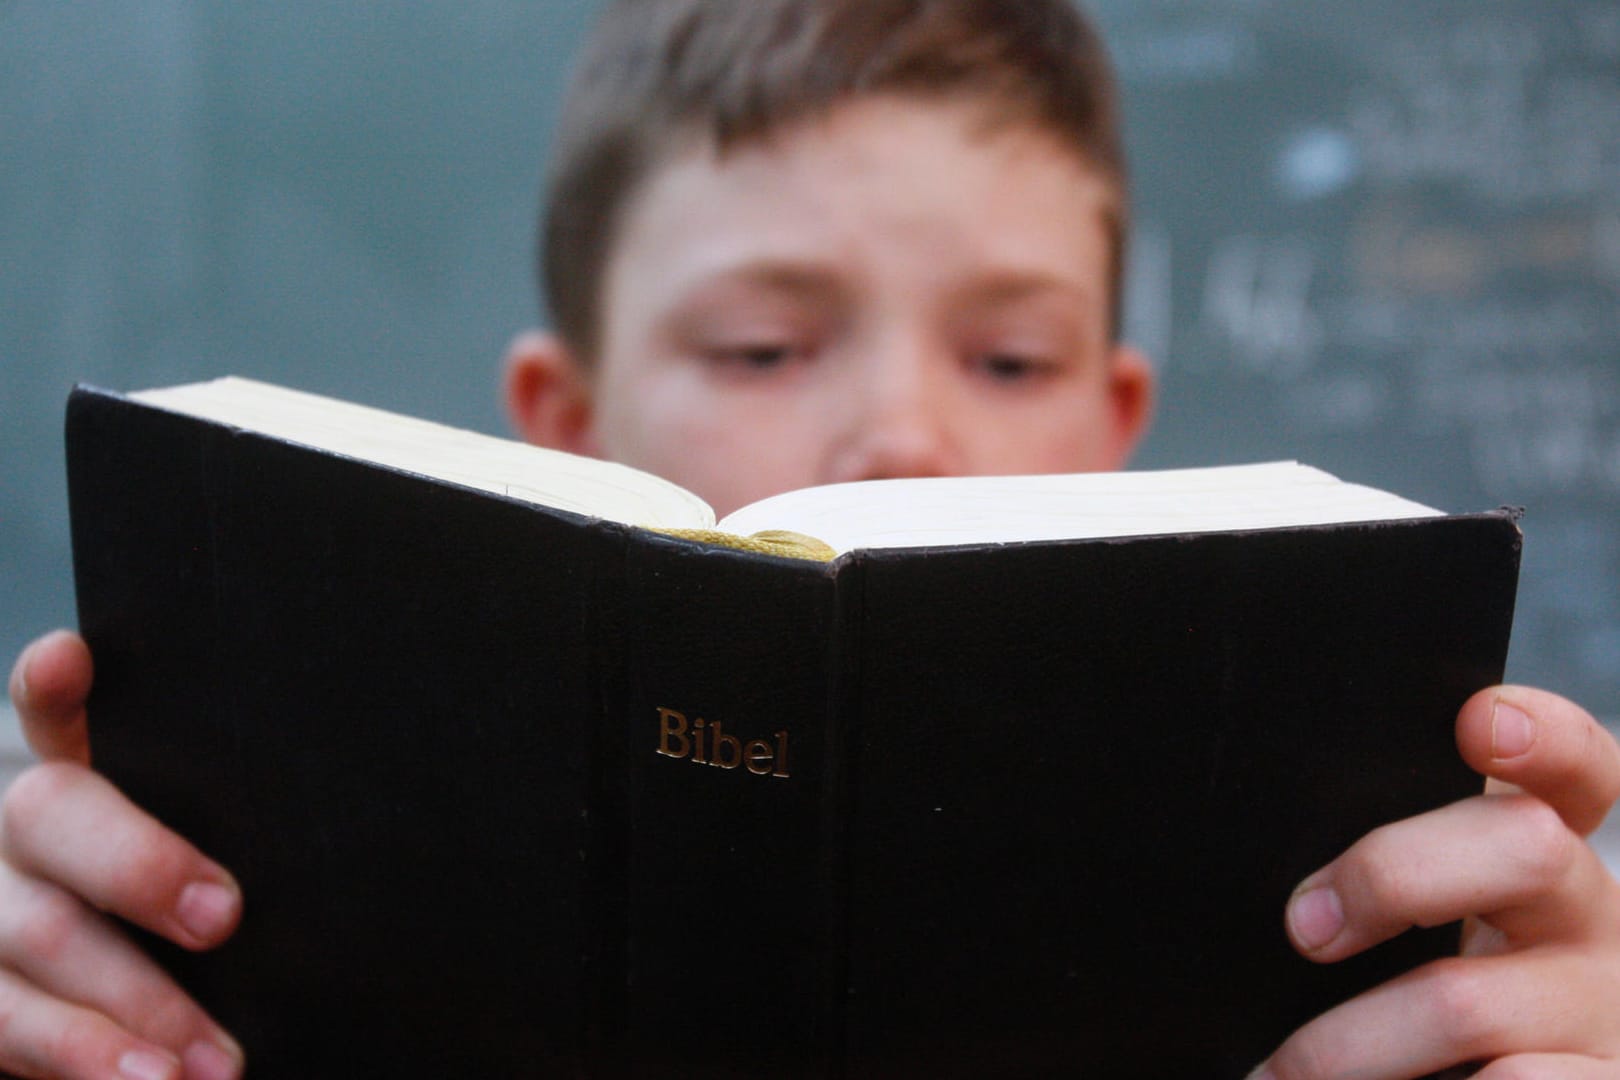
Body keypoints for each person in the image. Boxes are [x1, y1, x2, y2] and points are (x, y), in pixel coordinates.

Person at [6, 1, 1620, 1077]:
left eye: (1010, 360)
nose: (908, 437)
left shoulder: (1364, 878)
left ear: (1119, 420)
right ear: (561, 425)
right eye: (764, 349)